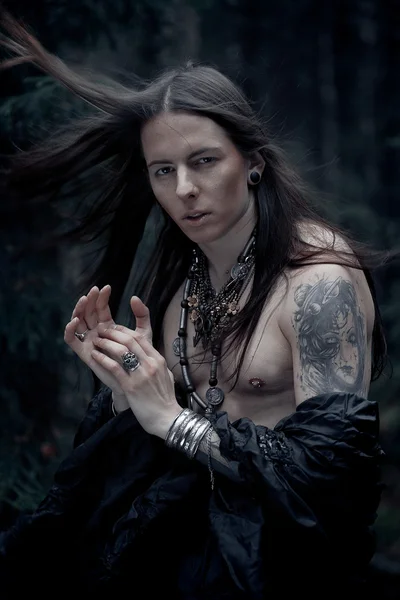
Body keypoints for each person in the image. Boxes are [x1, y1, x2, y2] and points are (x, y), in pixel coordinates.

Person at [0, 13, 388, 600]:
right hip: (182, 551)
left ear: (252, 160)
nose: (183, 189)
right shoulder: (182, 285)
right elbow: (153, 444)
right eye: (164, 171)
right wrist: (126, 385)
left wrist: (171, 419)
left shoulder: (317, 283)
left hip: (282, 574)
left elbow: (328, 484)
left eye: (204, 161)